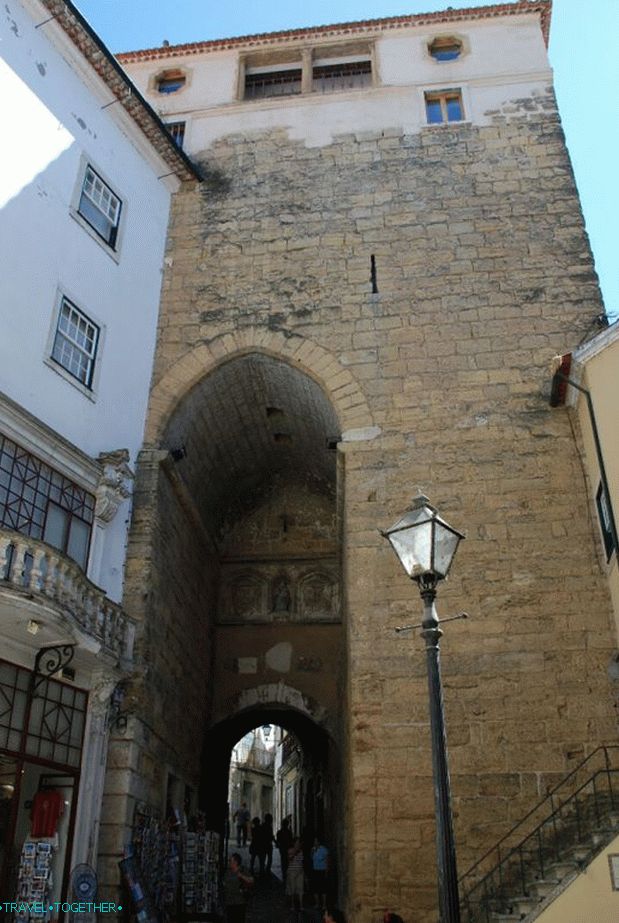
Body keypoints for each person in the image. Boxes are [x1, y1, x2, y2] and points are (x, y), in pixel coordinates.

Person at [223, 852, 253, 923]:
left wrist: (241, 876)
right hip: (229, 901)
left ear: (236, 862)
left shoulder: (243, 870)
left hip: (239, 902)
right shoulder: (228, 871)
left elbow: (251, 881)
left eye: (230, 860)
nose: (229, 862)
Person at [286, 837, 305, 915]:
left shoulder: (301, 851)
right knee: (292, 889)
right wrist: (294, 853)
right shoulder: (290, 850)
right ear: (294, 843)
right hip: (292, 872)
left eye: (299, 842)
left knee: (300, 889)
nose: (298, 844)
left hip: (300, 872)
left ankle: (301, 905)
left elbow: (302, 862)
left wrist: (304, 872)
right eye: (296, 842)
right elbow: (289, 860)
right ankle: (293, 905)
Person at [311, 836, 329, 908]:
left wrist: (327, 870)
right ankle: (317, 904)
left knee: (323, 888)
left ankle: (324, 905)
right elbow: (311, 858)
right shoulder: (313, 849)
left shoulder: (324, 849)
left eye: (316, 841)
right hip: (315, 870)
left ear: (319, 842)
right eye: (314, 841)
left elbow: (327, 860)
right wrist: (312, 852)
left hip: (322, 870)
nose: (314, 843)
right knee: (316, 888)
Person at [276, 816, 294, 881]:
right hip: (288, 849)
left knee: (283, 862)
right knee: (288, 862)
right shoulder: (289, 832)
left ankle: (284, 875)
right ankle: (287, 874)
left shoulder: (279, 832)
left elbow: (278, 841)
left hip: (282, 849)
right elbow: (291, 841)